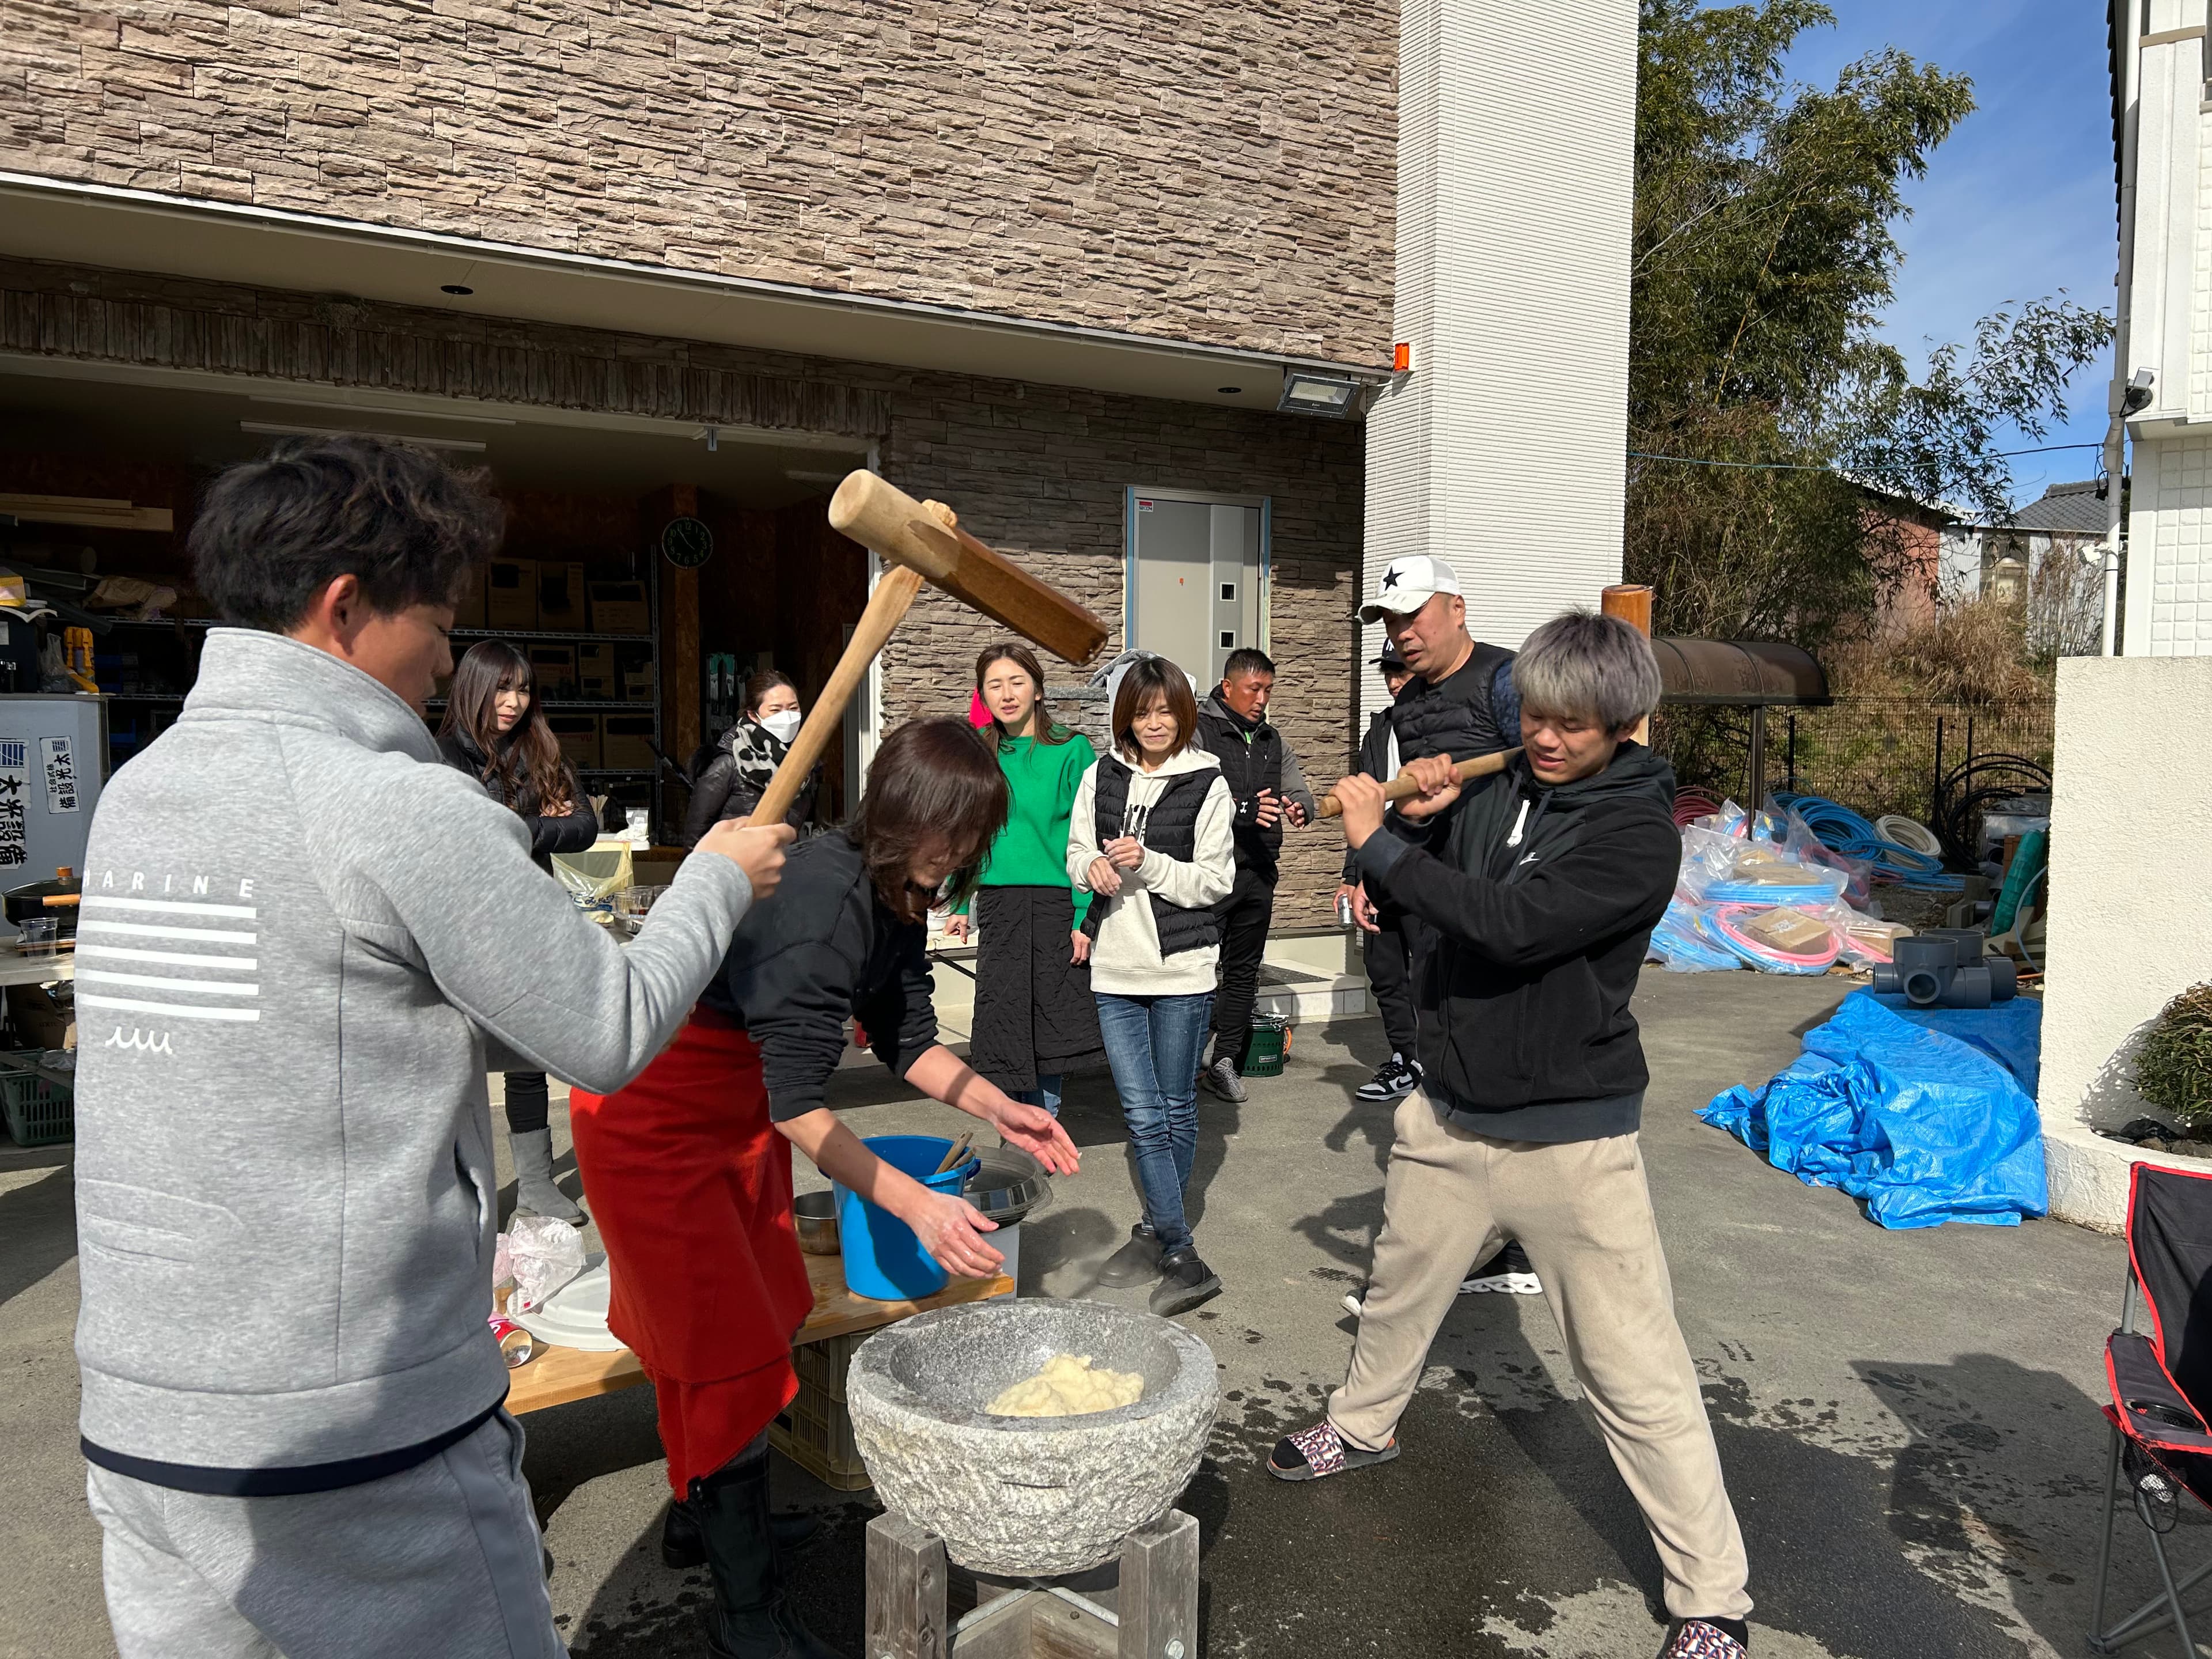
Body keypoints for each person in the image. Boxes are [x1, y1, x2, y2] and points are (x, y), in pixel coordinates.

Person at [71, 435, 790, 1659]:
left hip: (144, 1421)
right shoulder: (392, 803)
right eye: (440, 618)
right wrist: (716, 881)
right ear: (344, 606)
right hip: (355, 1426)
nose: (451, 655)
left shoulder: (142, 788)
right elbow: (604, 1029)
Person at [1275, 613, 1753, 1659]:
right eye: (1534, 713)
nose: (1545, 736)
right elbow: (1450, 889)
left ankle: (1711, 1596)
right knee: (1399, 1290)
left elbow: (1511, 924)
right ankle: (1362, 1427)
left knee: (1633, 1368)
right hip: (1447, 1115)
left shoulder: (1637, 833)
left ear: (1627, 724)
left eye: (1572, 726)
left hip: (1570, 1144)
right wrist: (1431, 830)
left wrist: (1382, 847)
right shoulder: (1504, 785)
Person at [569, 717, 1080, 1659]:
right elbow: (799, 1105)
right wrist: (913, 1199)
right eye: (954, 836)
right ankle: (746, 1612)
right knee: (718, 1350)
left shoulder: (895, 895)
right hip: (657, 1119)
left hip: (732, 1113)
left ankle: (704, 1519)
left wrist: (1002, 1107)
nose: (964, 857)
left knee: (765, 1318)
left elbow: (908, 1040)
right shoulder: (822, 904)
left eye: (975, 840)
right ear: (902, 814)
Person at [1339, 639, 1539, 1304]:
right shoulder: (1387, 732)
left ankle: (1483, 1256)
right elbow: (1390, 819)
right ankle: (1413, 1060)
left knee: (1475, 1126)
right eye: (1392, 672)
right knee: (1401, 990)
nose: (1399, 683)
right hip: (1397, 876)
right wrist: (1364, 871)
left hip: (1448, 897)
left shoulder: (1484, 731)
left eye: (1405, 670)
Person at [1068, 656, 1236, 1316]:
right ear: (1126, 716)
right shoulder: (1100, 773)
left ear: (1184, 713)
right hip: (1115, 967)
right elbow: (1077, 851)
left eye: (1166, 710)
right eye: (1142, 712)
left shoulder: (1207, 783)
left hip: (1183, 970)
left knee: (1174, 1111)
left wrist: (1154, 862)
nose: (1155, 722)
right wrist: (1093, 872)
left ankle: (1152, 1234)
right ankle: (1180, 1250)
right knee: (1142, 1113)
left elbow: (1216, 882)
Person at [1340, 554, 1521, 1107]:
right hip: (1441, 892)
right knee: (1441, 1019)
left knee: (1505, 1030)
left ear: (1458, 608)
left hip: (1509, 890)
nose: (1403, 633)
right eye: (1393, 621)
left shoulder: (1508, 678)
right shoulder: (1407, 704)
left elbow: (1552, 780)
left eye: (1414, 615)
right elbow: (1420, 808)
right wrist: (1378, 872)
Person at [437, 639, 603, 1225]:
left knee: (528, 1060)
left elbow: (584, 825)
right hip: (460, 928)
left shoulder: (540, 749)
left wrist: (514, 829)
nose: (513, 702)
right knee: (456, 1060)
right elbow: (451, 837)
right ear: (473, 688)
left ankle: (535, 1184)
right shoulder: (440, 756)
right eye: (502, 688)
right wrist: (535, 823)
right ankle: (458, 1188)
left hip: (529, 921)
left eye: (523, 689)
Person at [942, 642, 1105, 1118]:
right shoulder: (979, 752)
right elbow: (970, 832)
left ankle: (1043, 1128)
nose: (1007, 693)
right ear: (983, 694)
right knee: (1003, 1019)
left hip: (1060, 903)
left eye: (1017, 681)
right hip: (999, 904)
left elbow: (1089, 836)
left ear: (1037, 689)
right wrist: (958, 905)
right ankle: (1014, 1129)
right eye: (995, 685)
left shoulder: (1072, 749)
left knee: (1050, 1025)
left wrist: (1084, 915)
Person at [1192, 647, 1316, 1104]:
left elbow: (1298, 784)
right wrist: (1241, 810)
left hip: (1260, 870)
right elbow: (1192, 796)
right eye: (1254, 689)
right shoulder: (1200, 733)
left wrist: (1303, 805)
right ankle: (1185, 1067)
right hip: (1212, 871)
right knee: (1200, 971)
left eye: (1268, 690)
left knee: (1244, 972)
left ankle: (1223, 1060)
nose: (1262, 699)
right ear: (1228, 688)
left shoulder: (1272, 741)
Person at [683, 669, 820, 844]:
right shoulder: (728, 765)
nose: (787, 717)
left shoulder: (804, 764)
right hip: (736, 869)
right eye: (775, 710)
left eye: (793, 708)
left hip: (783, 867)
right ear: (753, 715)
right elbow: (695, 839)